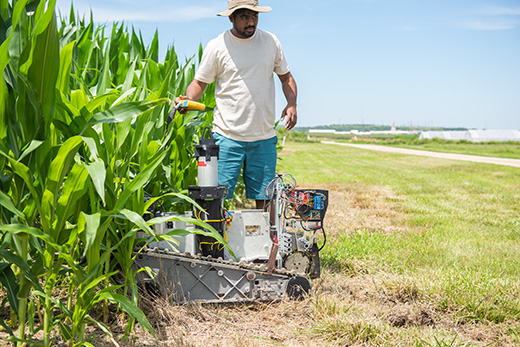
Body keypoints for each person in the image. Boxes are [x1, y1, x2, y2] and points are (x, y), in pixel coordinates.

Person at [175, 0, 297, 210]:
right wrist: (190, 100)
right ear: (231, 18)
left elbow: (286, 77)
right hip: (226, 136)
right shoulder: (218, 46)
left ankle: (269, 242)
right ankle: (218, 242)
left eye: (254, 16)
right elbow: (199, 83)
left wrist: (292, 103)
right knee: (216, 198)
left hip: (264, 137)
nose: (251, 22)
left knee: (266, 199)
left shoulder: (270, 42)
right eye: (244, 17)